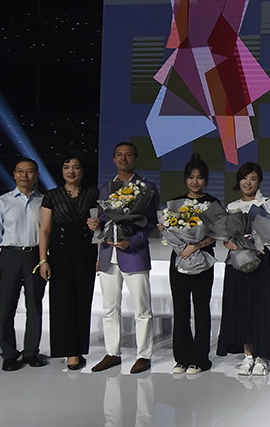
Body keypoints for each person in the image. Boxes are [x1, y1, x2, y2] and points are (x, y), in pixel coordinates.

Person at [87, 141, 159, 374]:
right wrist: (95, 226)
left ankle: (143, 355)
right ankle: (112, 353)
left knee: (142, 308)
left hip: (134, 253)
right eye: (119, 155)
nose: (123, 158)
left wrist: (132, 241)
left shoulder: (146, 188)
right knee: (110, 307)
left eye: (128, 155)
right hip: (108, 254)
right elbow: (103, 222)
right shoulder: (105, 188)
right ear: (113, 159)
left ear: (135, 158)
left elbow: (150, 224)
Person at [37, 154, 100, 371]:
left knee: (83, 299)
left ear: (83, 170)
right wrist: (43, 260)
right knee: (62, 301)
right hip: (60, 253)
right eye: (66, 167)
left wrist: (100, 254)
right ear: (61, 171)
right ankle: (70, 352)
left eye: (75, 167)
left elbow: (102, 226)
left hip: (85, 252)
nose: (71, 171)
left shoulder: (94, 194)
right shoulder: (52, 196)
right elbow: (45, 230)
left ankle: (79, 349)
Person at [0, 157, 47, 371]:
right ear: (14, 174)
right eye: (20, 171)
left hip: (35, 256)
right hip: (9, 256)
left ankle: (31, 352)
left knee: (34, 306)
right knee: (6, 306)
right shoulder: (1, 202)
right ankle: (9, 354)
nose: (24, 175)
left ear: (36, 175)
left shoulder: (44, 201)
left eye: (29, 171)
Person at [218, 162, 270, 376]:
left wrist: (260, 238)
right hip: (237, 260)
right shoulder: (231, 207)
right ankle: (248, 354)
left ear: (259, 180)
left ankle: (262, 356)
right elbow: (225, 239)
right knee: (241, 307)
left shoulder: (267, 204)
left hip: (259, 259)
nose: (248, 182)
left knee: (259, 307)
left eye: (253, 178)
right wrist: (233, 245)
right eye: (244, 178)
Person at [166, 153, 218, 375]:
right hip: (179, 259)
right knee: (180, 309)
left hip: (203, 260)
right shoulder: (176, 203)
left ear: (205, 179)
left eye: (199, 177)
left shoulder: (212, 203)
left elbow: (217, 234)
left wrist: (195, 246)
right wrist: (176, 242)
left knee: (201, 308)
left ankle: (200, 359)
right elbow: (170, 232)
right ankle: (182, 358)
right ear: (185, 179)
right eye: (191, 177)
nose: (195, 181)